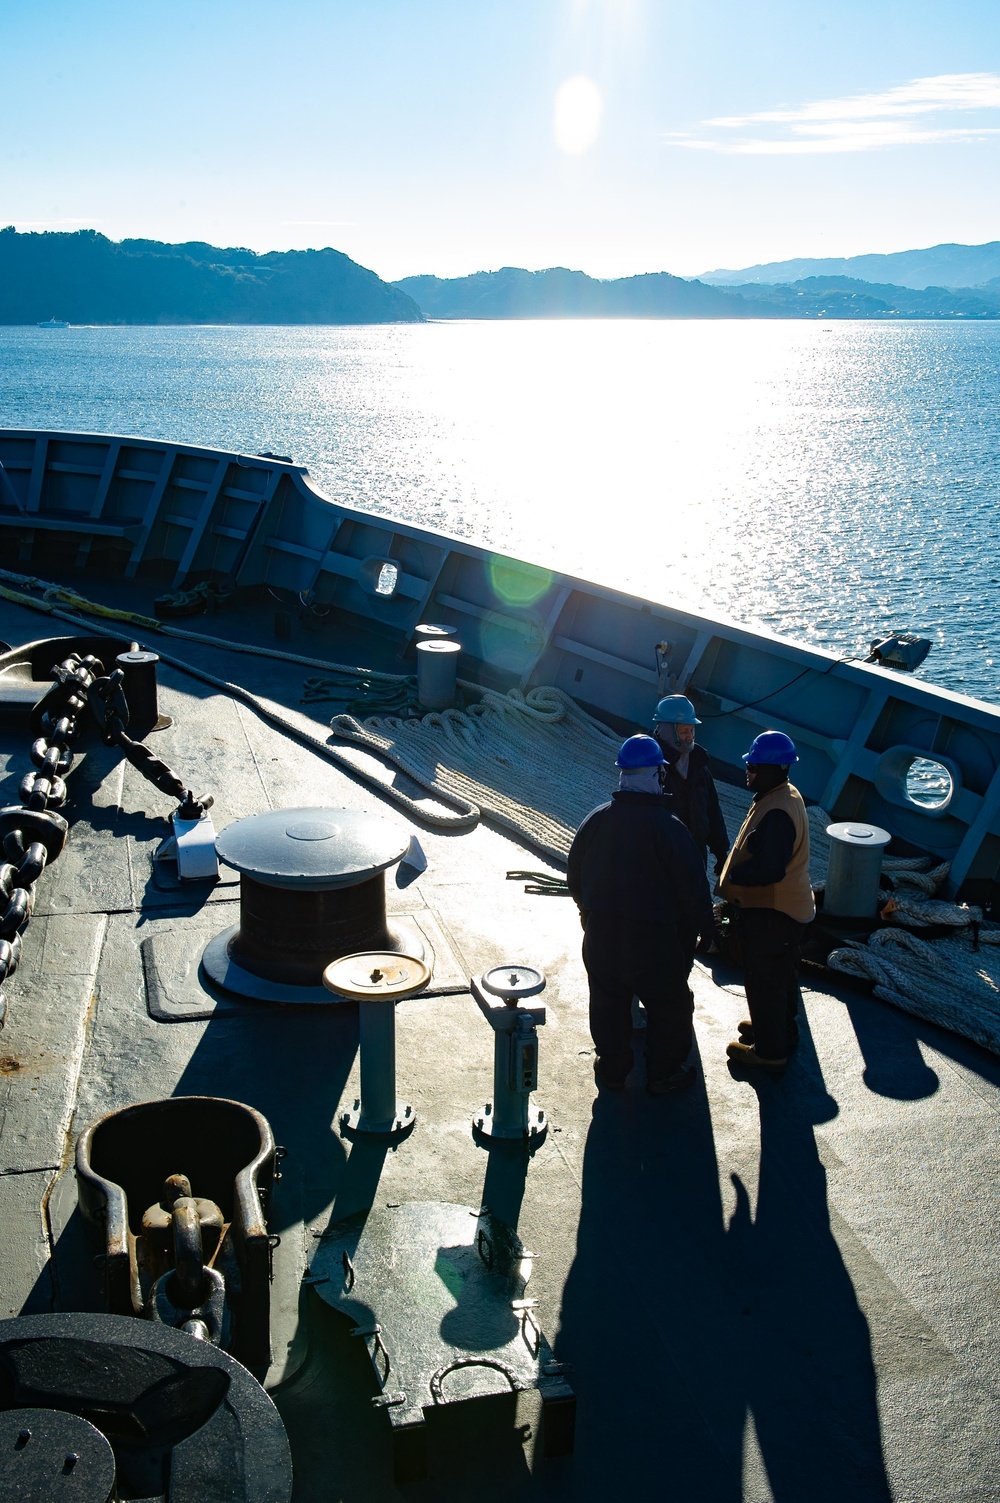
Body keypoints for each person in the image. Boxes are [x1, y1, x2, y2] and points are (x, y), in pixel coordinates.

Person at [567, 733, 715, 1095]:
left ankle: (613, 1069)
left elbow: (575, 874)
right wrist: (706, 929)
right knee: (670, 1006)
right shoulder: (670, 829)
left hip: (601, 938)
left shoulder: (596, 820)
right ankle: (664, 1074)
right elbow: (693, 887)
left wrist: (588, 913)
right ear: (656, 776)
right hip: (653, 943)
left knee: (608, 1005)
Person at [717, 731, 815, 1073]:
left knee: (764, 981)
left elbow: (769, 869)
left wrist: (735, 879)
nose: (748, 769)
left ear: (775, 768)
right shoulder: (781, 795)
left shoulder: (777, 810)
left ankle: (770, 1051)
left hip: (774, 913)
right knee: (782, 976)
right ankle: (779, 1031)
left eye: (754, 765)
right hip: (788, 911)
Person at [651, 695, 730, 878]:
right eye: (684, 731)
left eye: (692, 730)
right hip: (661, 860)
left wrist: (721, 852)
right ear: (666, 731)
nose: (690, 737)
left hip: (694, 855)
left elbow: (712, 809)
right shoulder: (651, 766)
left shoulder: (699, 766)